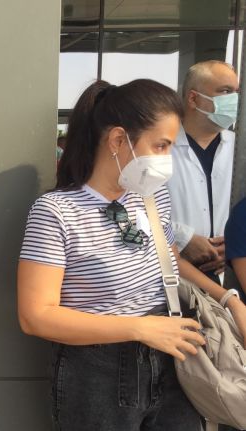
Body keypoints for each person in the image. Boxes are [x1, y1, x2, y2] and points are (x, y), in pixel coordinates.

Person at [17, 79, 246, 431]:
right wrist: (141, 328)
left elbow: (170, 262)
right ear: (118, 140)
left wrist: (230, 300)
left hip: (173, 361)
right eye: (161, 146)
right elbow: (36, 316)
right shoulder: (56, 212)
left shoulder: (152, 197)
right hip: (96, 373)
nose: (167, 160)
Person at [167, 60, 238, 283]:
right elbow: (136, 209)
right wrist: (182, 238)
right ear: (193, 99)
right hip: (173, 276)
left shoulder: (239, 148)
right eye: (225, 91)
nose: (234, 100)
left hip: (231, 274)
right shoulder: (160, 147)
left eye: (237, 92)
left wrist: (236, 242)